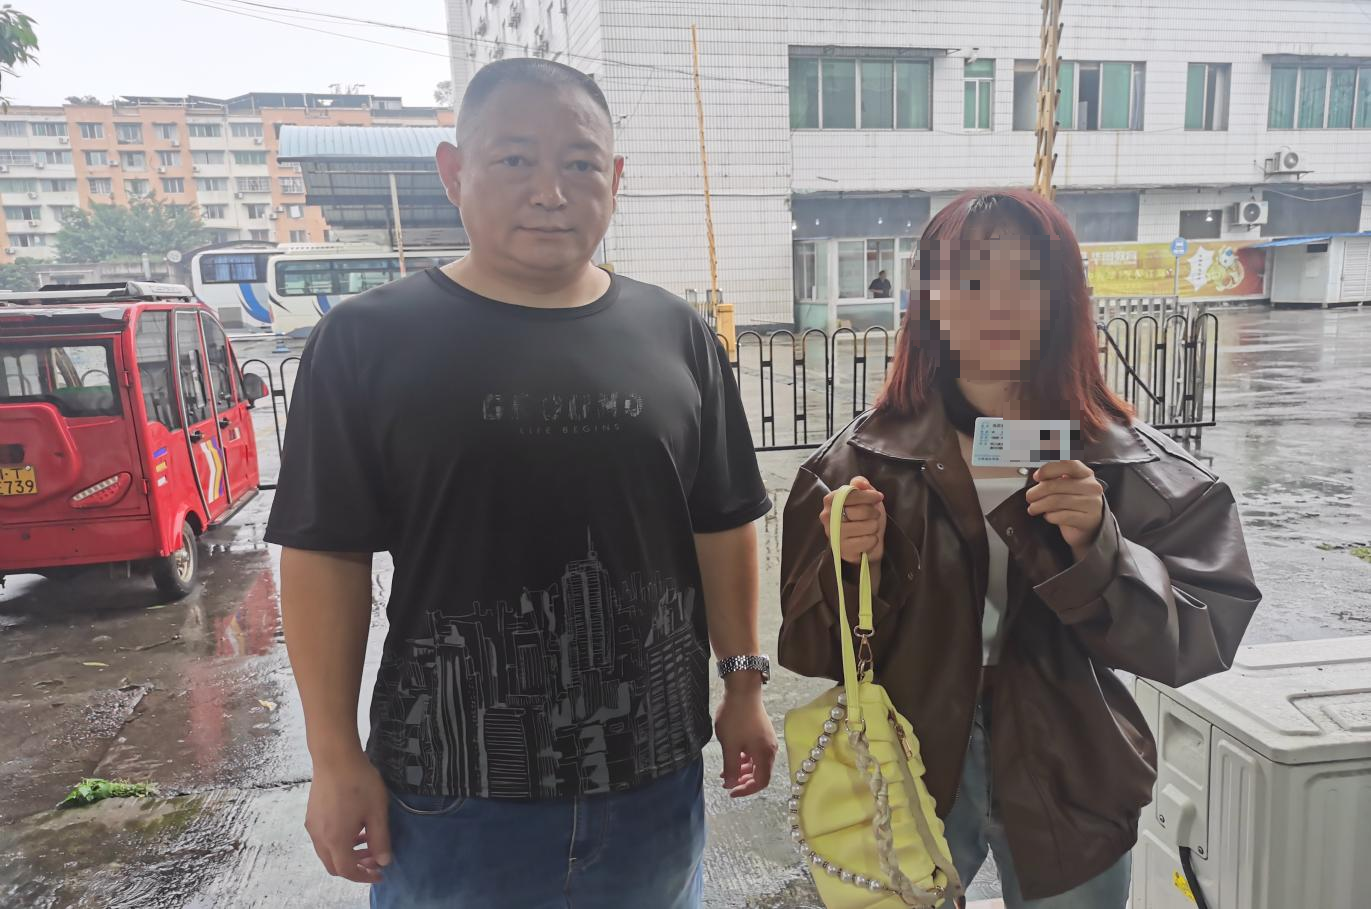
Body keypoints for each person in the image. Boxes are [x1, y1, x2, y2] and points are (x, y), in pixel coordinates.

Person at [266, 58, 777, 909]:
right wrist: (333, 755)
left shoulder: (676, 334)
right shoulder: (366, 341)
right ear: (452, 171)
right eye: (514, 159)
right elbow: (325, 555)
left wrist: (744, 685)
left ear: (615, 178)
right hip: (450, 796)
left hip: (650, 785)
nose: (550, 191)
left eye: (579, 163)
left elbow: (722, 521)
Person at [777, 189, 1260, 908]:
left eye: (1026, 277)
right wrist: (849, 567)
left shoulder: (1130, 463)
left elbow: (1203, 630)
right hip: (904, 754)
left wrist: (1101, 546)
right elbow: (810, 647)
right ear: (928, 300)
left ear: (1062, 296)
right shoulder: (856, 465)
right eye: (971, 280)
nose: (998, 304)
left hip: (1072, 762)